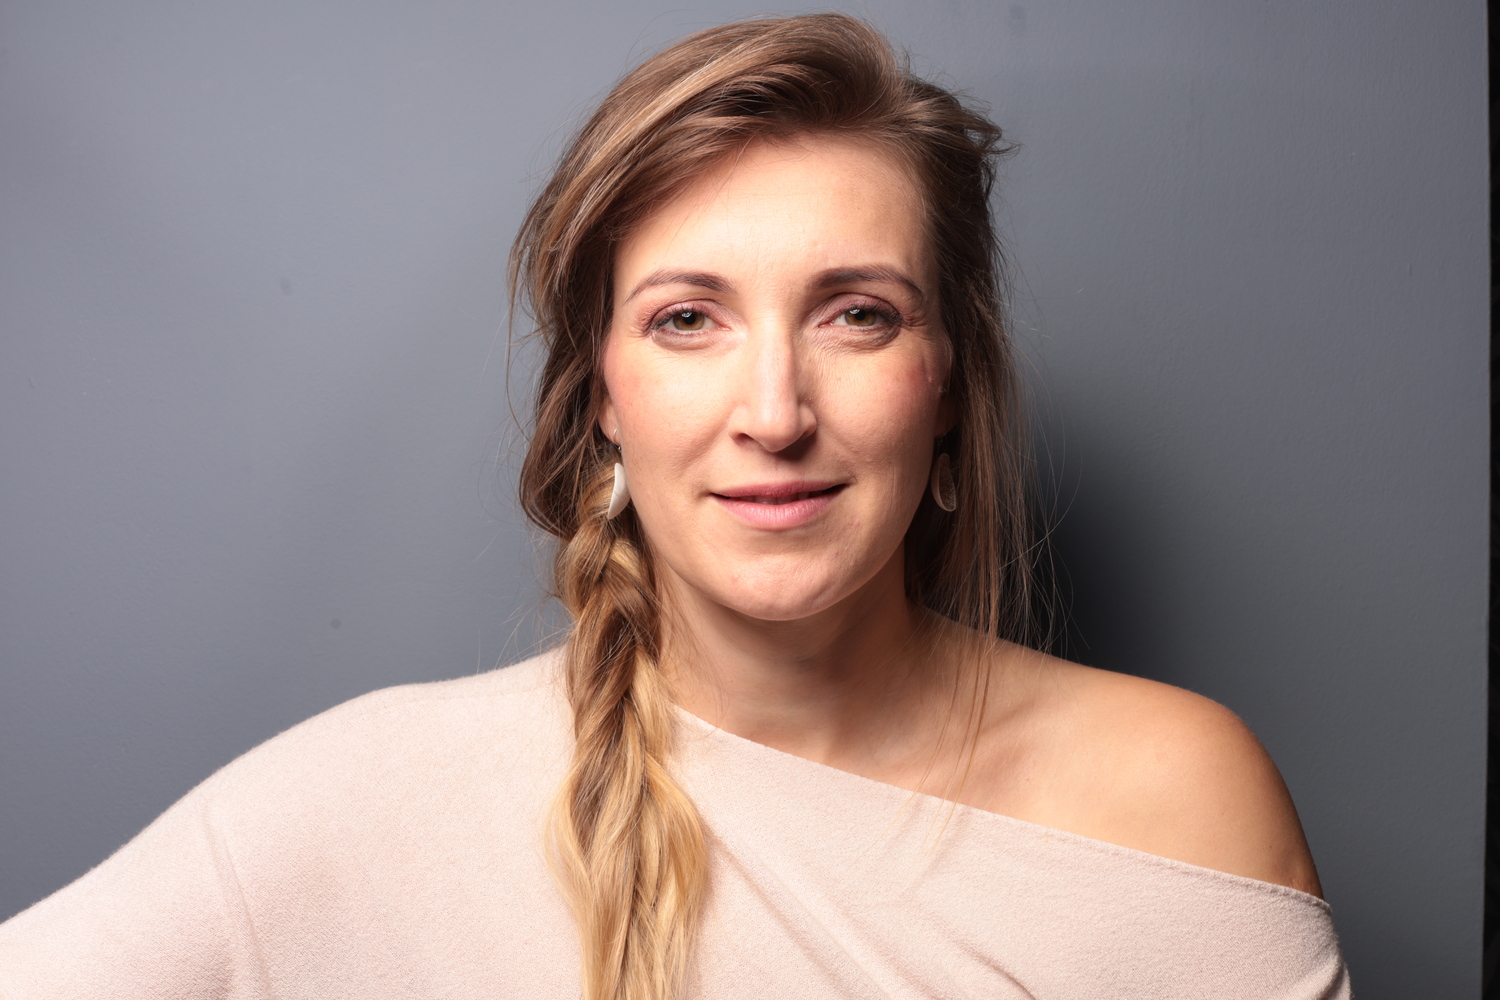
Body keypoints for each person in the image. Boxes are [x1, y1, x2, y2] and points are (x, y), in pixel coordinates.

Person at [0, 13, 1348, 999]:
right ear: (603, 394)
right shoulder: (364, 803)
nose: (775, 410)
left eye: (857, 314)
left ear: (947, 382)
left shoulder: (1172, 803)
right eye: (688, 319)